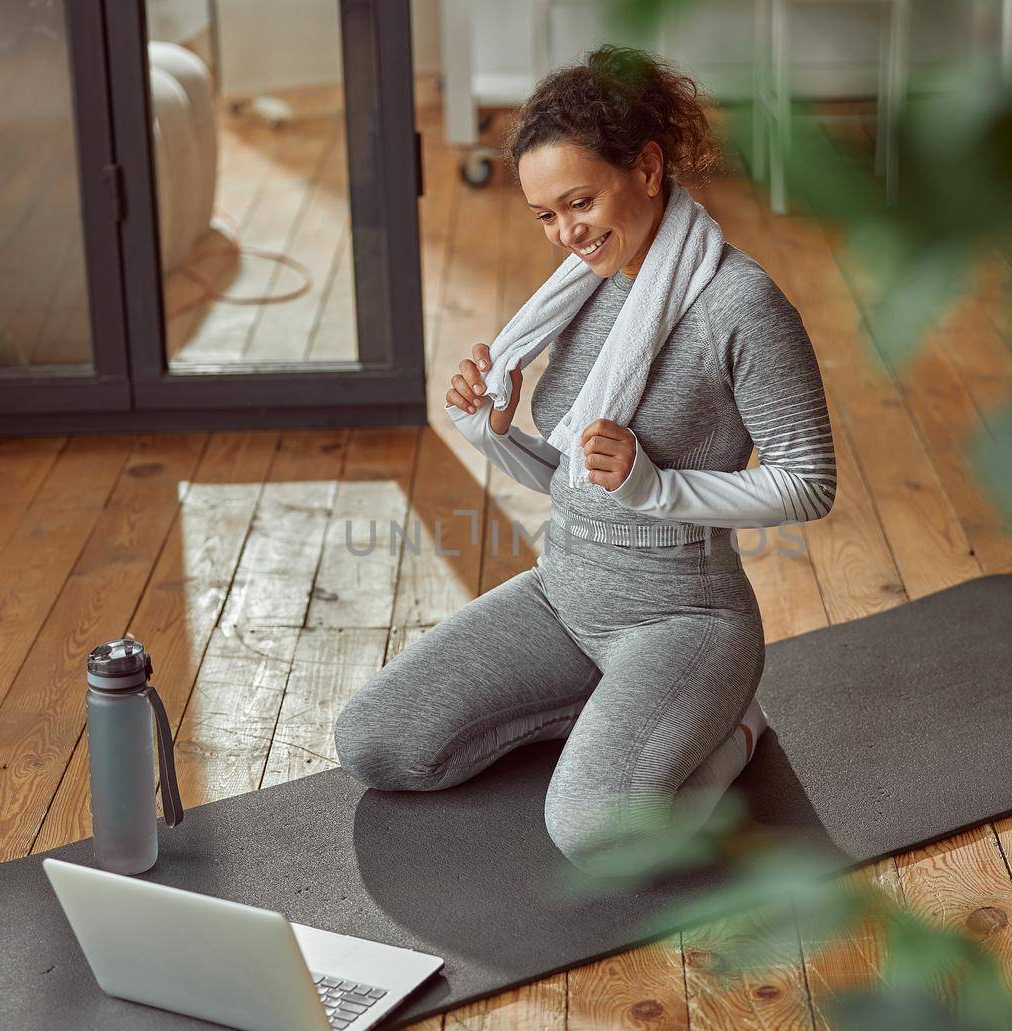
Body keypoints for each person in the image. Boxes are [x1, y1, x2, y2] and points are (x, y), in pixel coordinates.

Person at [334, 45, 837, 875]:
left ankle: (733, 730)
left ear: (645, 168)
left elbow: (807, 482)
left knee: (594, 833)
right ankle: (609, 715)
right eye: (546, 215)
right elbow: (575, 481)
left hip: (686, 621)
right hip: (563, 597)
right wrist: (494, 428)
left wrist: (657, 484)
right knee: (377, 743)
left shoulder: (740, 305)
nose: (568, 233)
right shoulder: (584, 285)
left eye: (580, 201)